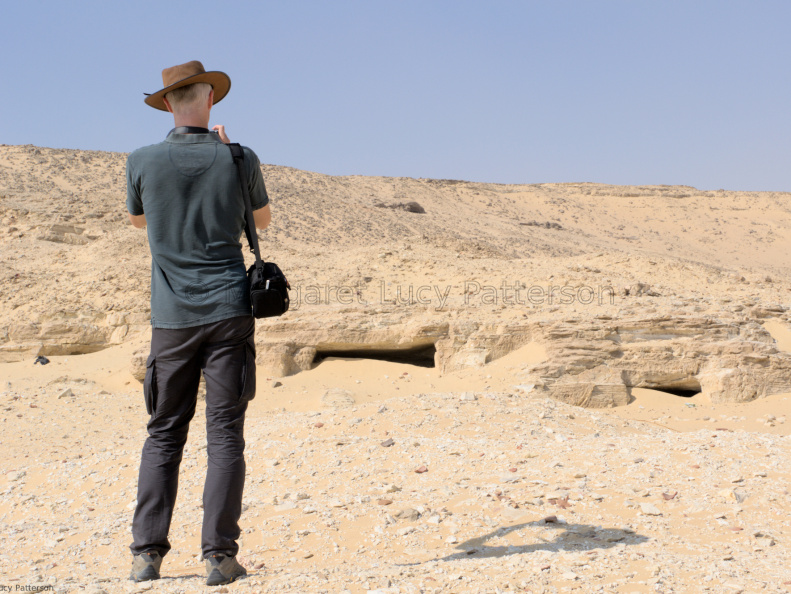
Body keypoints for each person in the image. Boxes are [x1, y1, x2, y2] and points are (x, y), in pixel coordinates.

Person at [126, 61, 271, 586]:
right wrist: (229, 166)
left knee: (163, 434)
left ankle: (147, 555)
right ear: (210, 98)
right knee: (225, 435)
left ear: (167, 103)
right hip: (230, 312)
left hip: (171, 320)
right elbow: (261, 222)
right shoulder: (239, 157)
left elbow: (142, 221)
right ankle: (218, 558)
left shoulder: (141, 160)